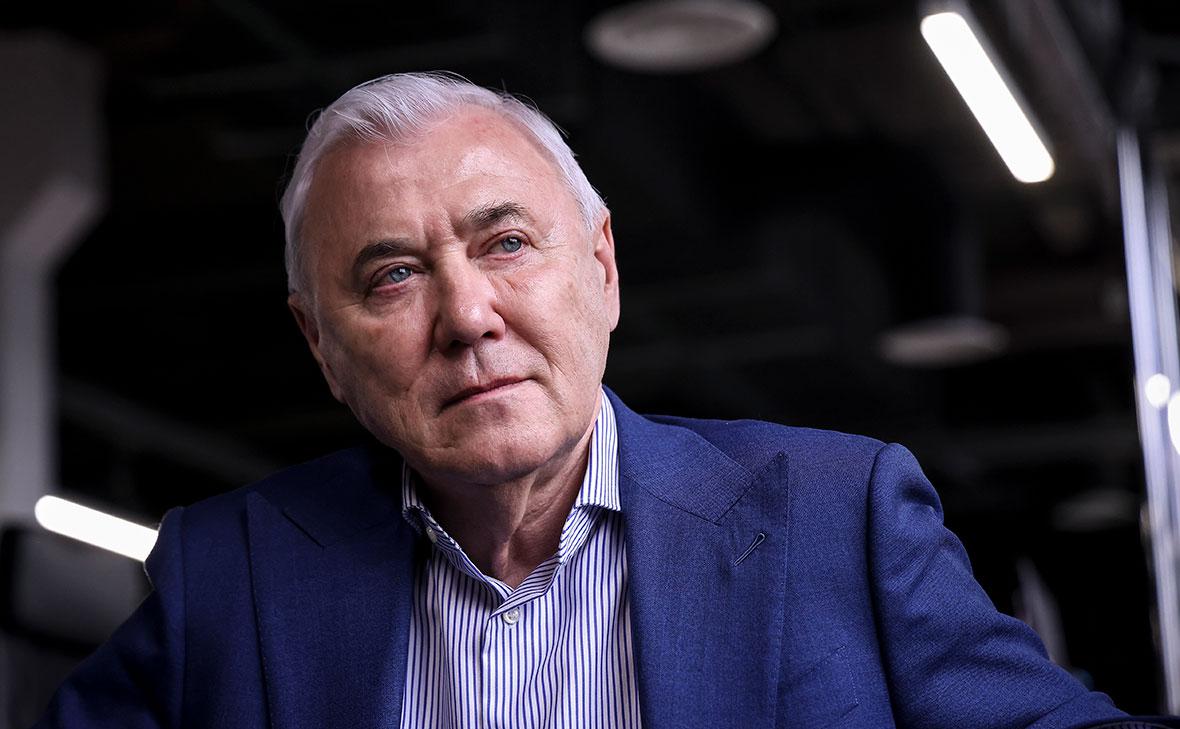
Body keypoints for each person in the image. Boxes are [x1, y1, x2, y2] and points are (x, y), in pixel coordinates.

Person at [34, 72, 1132, 728]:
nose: (468, 315)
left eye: (507, 242)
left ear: (602, 267)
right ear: (320, 344)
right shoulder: (230, 576)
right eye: (393, 275)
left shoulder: (838, 516)